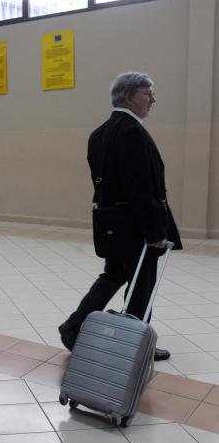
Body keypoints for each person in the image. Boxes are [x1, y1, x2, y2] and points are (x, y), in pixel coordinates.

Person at [59, 72, 181, 362]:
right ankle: (134, 346)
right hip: (135, 225)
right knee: (141, 285)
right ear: (128, 96)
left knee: (113, 275)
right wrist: (155, 232)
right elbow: (139, 188)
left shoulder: (99, 133)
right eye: (147, 93)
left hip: (110, 222)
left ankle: (74, 328)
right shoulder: (132, 132)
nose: (153, 99)